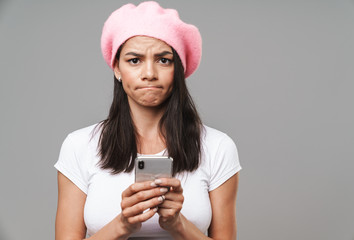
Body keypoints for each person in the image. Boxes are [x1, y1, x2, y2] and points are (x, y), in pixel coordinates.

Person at [54, 1, 241, 239]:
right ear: (117, 69)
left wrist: (177, 224)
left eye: (164, 60)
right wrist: (122, 225)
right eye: (135, 60)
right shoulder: (79, 146)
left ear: (179, 69)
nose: (149, 74)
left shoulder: (217, 147)